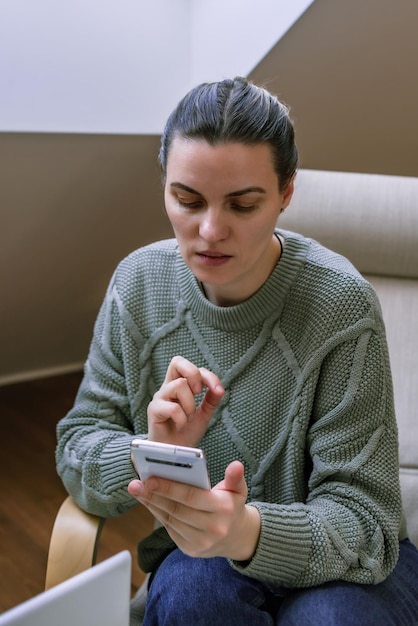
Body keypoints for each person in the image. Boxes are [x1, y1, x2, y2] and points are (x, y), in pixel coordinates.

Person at [56, 77, 418, 625]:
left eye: (242, 205)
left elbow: (365, 520)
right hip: (201, 560)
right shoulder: (138, 285)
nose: (209, 230)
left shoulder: (342, 306)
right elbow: (77, 445)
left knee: (331, 618)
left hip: (349, 571)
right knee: (195, 593)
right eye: (187, 200)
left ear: (286, 193)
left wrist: (247, 530)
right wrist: (148, 450)